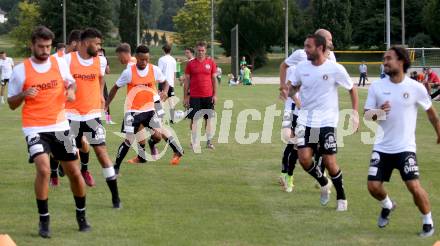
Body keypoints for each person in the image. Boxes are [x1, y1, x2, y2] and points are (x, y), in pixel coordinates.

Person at [7, 26, 90, 238]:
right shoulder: (20, 70)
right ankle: (44, 220)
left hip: (60, 126)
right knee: (44, 170)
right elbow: (11, 104)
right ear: (32, 45)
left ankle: (81, 216)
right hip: (34, 127)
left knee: (74, 172)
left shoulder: (59, 63)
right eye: (41, 47)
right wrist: (24, 93)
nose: (45, 50)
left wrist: (71, 91)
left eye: (48, 46)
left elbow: (72, 84)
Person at [364, 46, 440, 237]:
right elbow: (367, 116)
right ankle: (388, 205)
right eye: (384, 58)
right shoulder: (377, 86)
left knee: (413, 186)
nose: (385, 62)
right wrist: (379, 111)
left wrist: (439, 132)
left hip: (405, 148)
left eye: (389, 58)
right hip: (382, 147)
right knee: (373, 187)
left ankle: (427, 221)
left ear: (401, 61)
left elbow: (432, 115)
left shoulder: (415, 88)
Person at [290, 34, 359, 211]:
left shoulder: (335, 69)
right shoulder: (301, 67)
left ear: (320, 48)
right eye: (304, 46)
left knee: (329, 161)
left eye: (308, 47)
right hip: (307, 121)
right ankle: (323, 182)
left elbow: (352, 89)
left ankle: (341, 197)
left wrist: (355, 113)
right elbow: (295, 86)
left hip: (327, 121)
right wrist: (290, 90)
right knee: (304, 159)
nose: (305, 50)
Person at [64, 28, 121, 208]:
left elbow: (101, 79)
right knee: (69, 157)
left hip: (92, 115)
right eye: (96, 44)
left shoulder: (101, 61)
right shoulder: (67, 60)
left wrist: (101, 96)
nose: (99, 47)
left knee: (102, 153)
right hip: (70, 115)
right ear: (85, 43)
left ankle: (115, 197)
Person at [106, 45, 184, 173]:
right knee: (130, 139)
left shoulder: (154, 69)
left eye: (147, 59)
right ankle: (118, 166)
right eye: (142, 59)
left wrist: (164, 91)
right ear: (136, 57)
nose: (144, 62)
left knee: (158, 133)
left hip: (152, 106)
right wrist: (106, 104)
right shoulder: (129, 71)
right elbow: (115, 87)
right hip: (133, 110)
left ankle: (170, 150)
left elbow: (166, 82)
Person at [278, 28, 336, 190]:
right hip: (295, 108)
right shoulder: (301, 55)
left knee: (319, 146)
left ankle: (319, 177)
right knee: (293, 143)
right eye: (330, 39)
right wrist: (284, 87)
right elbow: (285, 67)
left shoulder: (331, 58)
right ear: (321, 42)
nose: (332, 42)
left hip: (317, 111)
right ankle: (286, 175)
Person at [49, 29, 85, 187]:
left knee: (78, 142)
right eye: (81, 44)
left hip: (75, 109)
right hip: (57, 109)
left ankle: (71, 169)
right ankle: (55, 172)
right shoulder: (56, 59)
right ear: (75, 43)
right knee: (59, 143)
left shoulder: (77, 60)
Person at [184, 41, 218, 152]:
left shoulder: (211, 63)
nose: (200, 52)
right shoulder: (190, 64)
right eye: (199, 50)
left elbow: (214, 79)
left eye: (202, 50)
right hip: (194, 96)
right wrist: (186, 97)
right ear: (195, 50)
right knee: (194, 120)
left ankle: (209, 142)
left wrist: (215, 95)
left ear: (206, 50)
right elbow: (187, 81)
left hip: (208, 96)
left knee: (208, 120)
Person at [158, 44, 177, 124]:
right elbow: (174, 72)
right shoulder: (173, 59)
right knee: (171, 101)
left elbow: (159, 72)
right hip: (171, 83)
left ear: (163, 50)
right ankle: (172, 118)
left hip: (163, 83)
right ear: (170, 50)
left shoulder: (161, 59)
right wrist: (173, 82)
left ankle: (161, 119)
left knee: (161, 101)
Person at [98, 48, 115, 124]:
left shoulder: (104, 59)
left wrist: (105, 63)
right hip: (94, 82)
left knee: (105, 99)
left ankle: (107, 119)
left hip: (101, 82)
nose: (100, 53)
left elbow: (107, 71)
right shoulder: (91, 58)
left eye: (101, 52)